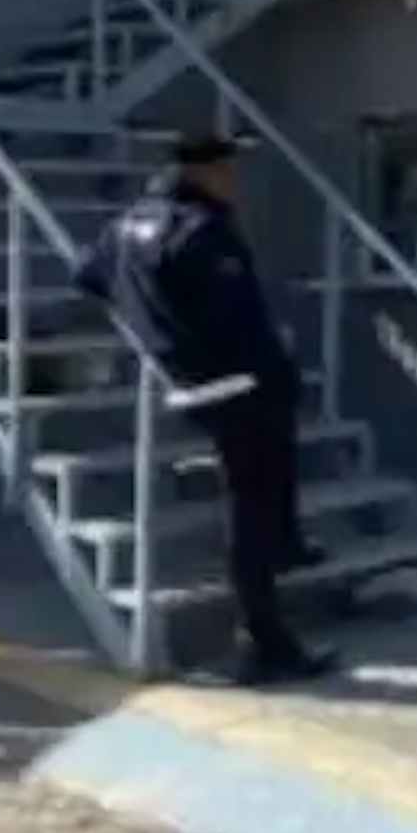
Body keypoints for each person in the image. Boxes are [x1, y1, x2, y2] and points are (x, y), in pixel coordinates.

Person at [96, 131, 330, 686]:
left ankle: (286, 548)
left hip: (196, 382)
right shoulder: (203, 229)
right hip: (240, 383)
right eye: (228, 171)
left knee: (260, 493)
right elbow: (237, 318)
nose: (234, 181)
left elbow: (92, 277)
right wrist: (274, 365)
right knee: (251, 506)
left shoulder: (125, 227)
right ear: (203, 172)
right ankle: (266, 641)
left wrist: (156, 338)